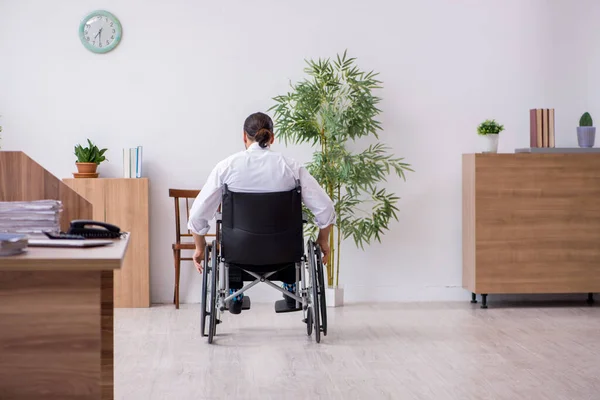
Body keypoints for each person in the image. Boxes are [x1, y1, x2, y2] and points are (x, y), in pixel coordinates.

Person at [187, 112, 335, 314]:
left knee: (233, 239)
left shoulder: (226, 167)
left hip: (239, 252)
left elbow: (197, 215)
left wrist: (200, 247)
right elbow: (325, 208)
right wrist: (323, 240)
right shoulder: (291, 167)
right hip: (285, 252)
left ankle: (234, 293)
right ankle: (291, 287)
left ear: (243, 137)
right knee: (288, 237)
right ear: (272, 138)